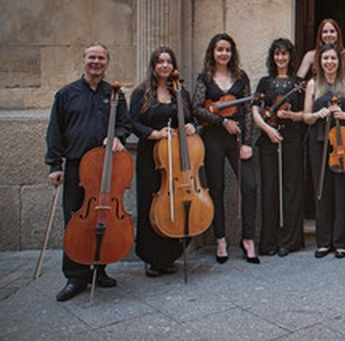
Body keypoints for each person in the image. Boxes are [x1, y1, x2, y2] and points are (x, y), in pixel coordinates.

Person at [45, 42, 131, 301]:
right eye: (92, 57)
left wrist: (118, 136)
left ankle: (100, 268)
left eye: (101, 58)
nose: (96, 62)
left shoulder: (115, 95)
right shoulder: (66, 94)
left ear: (107, 62)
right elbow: (55, 131)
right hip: (75, 167)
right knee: (75, 221)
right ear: (84, 61)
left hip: (105, 168)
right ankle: (75, 276)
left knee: (103, 219)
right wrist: (54, 165)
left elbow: (124, 125)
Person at [130, 46, 196, 277]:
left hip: (176, 158)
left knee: (175, 205)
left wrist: (191, 126)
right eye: (160, 61)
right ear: (154, 66)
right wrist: (154, 134)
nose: (165, 65)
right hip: (152, 156)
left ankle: (170, 255)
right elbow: (133, 123)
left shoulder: (181, 92)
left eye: (168, 61)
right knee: (151, 205)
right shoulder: (141, 92)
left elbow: (190, 119)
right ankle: (151, 257)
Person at [192, 33, 258, 264]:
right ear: (213, 52)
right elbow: (197, 108)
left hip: (238, 137)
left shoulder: (241, 77)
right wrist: (222, 121)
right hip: (213, 137)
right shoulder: (204, 79)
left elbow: (248, 109)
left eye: (227, 49)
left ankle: (248, 239)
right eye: (219, 49)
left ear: (232, 52)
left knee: (250, 186)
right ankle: (220, 239)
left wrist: (248, 143)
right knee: (216, 188)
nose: (223, 53)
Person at [303, 43, 345, 258]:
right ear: (320, 61)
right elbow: (305, 117)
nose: (329, 62)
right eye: (325, 58)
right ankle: (323, 241)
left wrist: (344, 115)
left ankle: (341, 242)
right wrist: (317, 115)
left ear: (339, 62)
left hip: (344, 143)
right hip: (319, 142)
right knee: (322, 191)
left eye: (333, 59)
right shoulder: (313, 84)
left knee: (343, 192)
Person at [252, 38, 306, 257]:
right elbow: (255, 110)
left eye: (284, 54)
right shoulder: (265, 82)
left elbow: (305, 114)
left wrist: (291, 115)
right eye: (277, 54)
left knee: (292, 189)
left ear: (290, 57)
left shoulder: (298, 83)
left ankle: (289, 241)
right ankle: (269, 241)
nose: (281, 58)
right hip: (269, 138)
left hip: (292, 138)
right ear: (273, 57)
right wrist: (267, 129)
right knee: (270, 189)